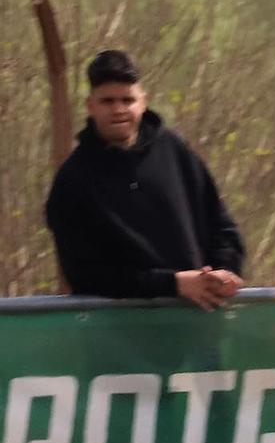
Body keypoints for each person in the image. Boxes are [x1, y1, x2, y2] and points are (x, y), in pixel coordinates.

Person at [44, 49, 245, 307]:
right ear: (90, 106)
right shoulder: (73, 179)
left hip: (197, 325)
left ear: (143, 101)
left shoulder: (176, 152)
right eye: (107, 101)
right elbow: (85, 275)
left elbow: (222, 228)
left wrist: (221, 273)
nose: (118, 110)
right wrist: (173, 284)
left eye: (127, 100)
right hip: (119, 336)